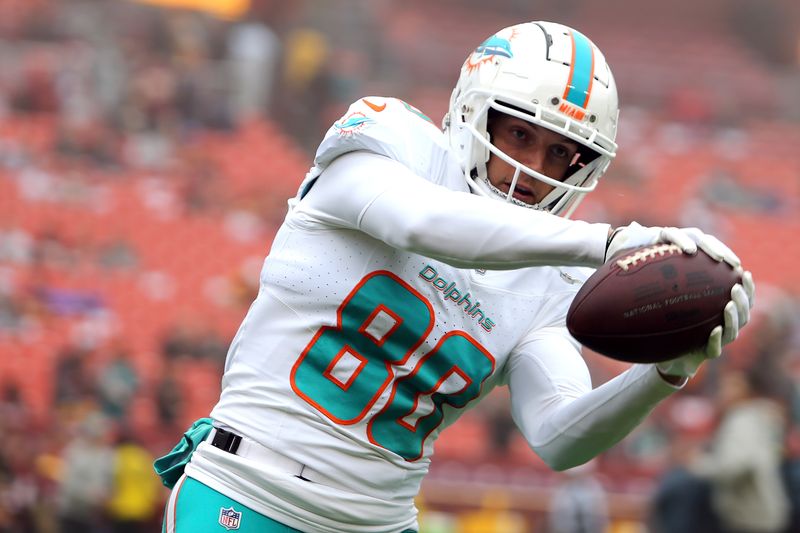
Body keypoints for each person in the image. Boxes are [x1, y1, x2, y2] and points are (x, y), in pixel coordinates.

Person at [155, 21, 755, 533]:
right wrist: (608, 243)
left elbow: (559, 436)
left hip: (381, 520)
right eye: (519, 134)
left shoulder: (551, 276)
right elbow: (418, 223)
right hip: (248, 492)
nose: (531, 170)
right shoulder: (390, 139)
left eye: (559, 156)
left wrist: (664, 372)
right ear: (473, 113)